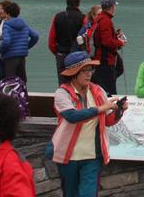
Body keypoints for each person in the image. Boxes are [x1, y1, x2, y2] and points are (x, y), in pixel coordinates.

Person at [49, 51, 127, 197]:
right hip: (68, 157)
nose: (88, 74)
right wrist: (100, 109)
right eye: (84, 71)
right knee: (70, 194)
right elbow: (72, 116)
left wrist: (119, 111)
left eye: (90, 69)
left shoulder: (98, 91)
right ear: (73, 73)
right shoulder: (62, 94)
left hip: (92, 157)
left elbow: (108, 121)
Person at [90, 0, 125, 95]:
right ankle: (111, 108)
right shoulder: (106, 21)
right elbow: (106, 42)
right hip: (105, 61)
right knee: (110, 92)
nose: (115, 9)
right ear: (111, 7)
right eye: (114, 6)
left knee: (102, 88)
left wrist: (115, 39)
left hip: (99, 59)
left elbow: (102, 39)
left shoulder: (99, 19)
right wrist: (120, 43)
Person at [0, 2, 39, 83]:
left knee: (9, 82)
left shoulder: (7, 25)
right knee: (22, 81)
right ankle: (23, 95)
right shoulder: (24, 24)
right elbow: (35, 36)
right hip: (22, 57)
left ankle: (10, 96)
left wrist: (0, 50)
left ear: (7, 13)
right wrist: (25, 47)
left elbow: (6, 42)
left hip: (9, 58)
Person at [48, 0, 84, 82]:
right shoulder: (83, 18)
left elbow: (51, 39)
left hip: (62, 54)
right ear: (78, 4)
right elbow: (85, 38)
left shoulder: (58, 16)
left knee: (63, 84)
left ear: (67, 3)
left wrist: (57, 52)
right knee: (77, 83)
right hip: (77, 55)